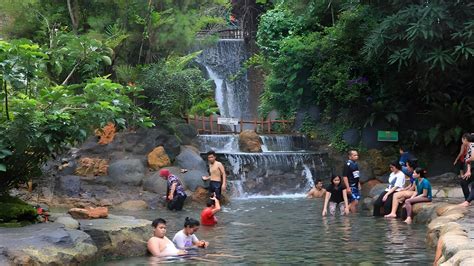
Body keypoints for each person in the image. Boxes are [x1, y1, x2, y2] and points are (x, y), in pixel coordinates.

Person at [459, 133, 474, 207]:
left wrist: (468, 159)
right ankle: (467, 199)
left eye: (462, 139)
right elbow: (469, 162)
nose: (462, 141)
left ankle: (467, 202)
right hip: (472, 169)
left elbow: (473, 158)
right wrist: (468, 171)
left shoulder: (472, 145)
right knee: (463, 181)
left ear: (465, 139)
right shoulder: (468, 147)